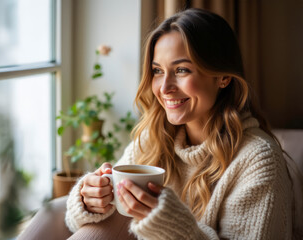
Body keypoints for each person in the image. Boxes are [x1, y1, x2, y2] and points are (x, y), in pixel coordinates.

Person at [19, 8, 294, 240]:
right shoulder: (155, 136)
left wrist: (169, 223)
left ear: (223, 77)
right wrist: (91, 200)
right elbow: (80, 221)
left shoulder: (258, 160)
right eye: (158, 71)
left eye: (182, 70)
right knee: (55, 210)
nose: (164, 87)